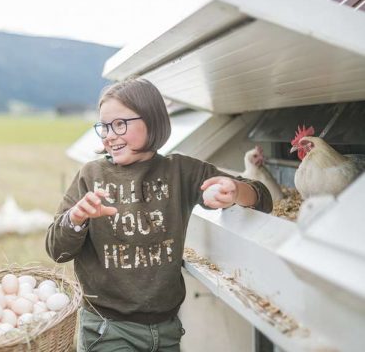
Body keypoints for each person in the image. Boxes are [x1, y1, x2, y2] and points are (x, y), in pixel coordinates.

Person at [46, 79, 273, 351]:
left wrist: (236, 190)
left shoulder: (181, 172)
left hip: (167, 331)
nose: (109, 135)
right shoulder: (91, 176)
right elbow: (57, 251)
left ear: (152, 121)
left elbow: (263, 197)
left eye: (120, 124)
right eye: (104, 126)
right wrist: (76, 218)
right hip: (108, 330)